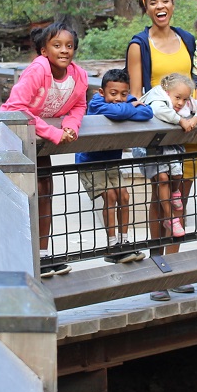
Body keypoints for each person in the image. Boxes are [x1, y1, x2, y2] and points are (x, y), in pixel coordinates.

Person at [125, 0, 197, 276]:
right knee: (160, 196)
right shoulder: (139, 45)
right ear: (146, 8)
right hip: (160, 132)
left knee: (182, 197)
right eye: (153, 3)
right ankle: (158, 267)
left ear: (173, 4)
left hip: (190, 130)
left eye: (164, 1)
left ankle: (175, 269)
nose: (160, 7)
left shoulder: (189, 40)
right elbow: (135, 95)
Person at [0, 19, 88, 277]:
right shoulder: (38, 70)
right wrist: (54, 132)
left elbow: (79, 106)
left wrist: (70, 127)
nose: (64, 50)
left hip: (40, 142)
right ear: (44, 51)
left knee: (45, 190)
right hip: (13, 138)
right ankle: (19, 258)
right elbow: (16, 106)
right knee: (20, 196)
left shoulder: (78, 76)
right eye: (57, 45)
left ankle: (43, 255)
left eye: (69, 46)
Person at [75, 69, 152, 264]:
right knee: (109, 196)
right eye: (113, 93)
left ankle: (123, 242)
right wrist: (131, 106)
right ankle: (111, 245)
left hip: (112, 161)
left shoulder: (125, 100)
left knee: (124, 196)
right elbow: (116, 113)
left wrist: (130, 105)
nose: (119, 98)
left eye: (123, 94)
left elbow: (147, 112)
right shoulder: (96, 103)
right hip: (90, 161)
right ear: (102, 92)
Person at [137, 73, 197, 245]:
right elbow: (159, 111)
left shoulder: (186, 101)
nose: (180, 103)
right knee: (162, 178)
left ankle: (175, 193)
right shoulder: (157, 97)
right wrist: (181, 121)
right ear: (166, 90)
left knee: (177, 175)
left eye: (185, 99)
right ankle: (170, 218)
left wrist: (195, 118)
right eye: (177, 98)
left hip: (170, 147)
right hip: (149, 148)